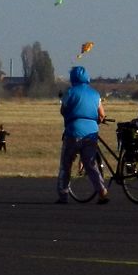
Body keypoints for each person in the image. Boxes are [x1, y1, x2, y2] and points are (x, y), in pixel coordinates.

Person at [57, 65, 109, 204]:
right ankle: (101, 190)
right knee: (91, 164)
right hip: (91, 133)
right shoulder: (95, 94)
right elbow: (102, 114)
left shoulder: (70, 92)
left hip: (73, 131)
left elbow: (63, 110)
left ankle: (63, 194)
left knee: (66, 164)